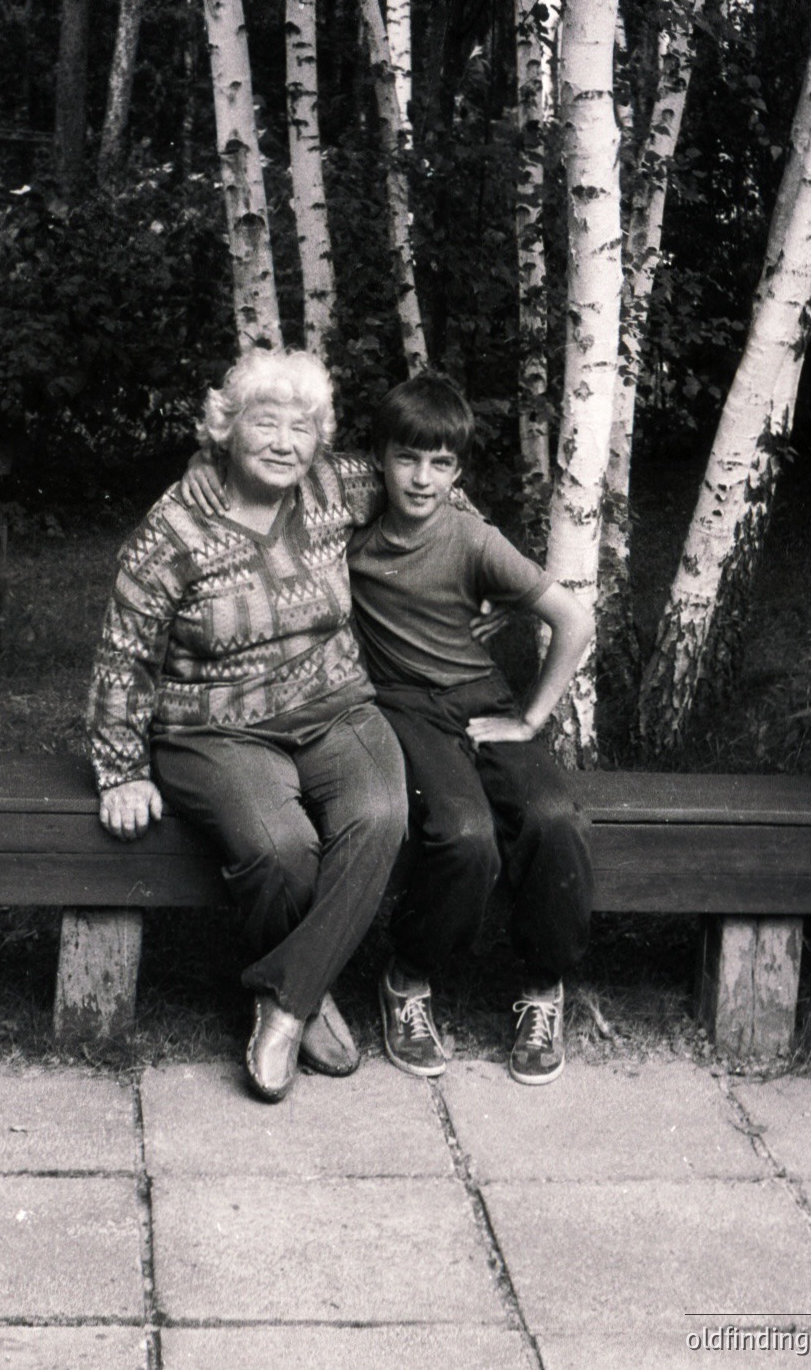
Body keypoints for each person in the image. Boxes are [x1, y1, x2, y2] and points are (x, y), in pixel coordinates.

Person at [86, 347, 407, 1104]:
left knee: (381, 813)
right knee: (278, 845)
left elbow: (420, 483)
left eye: (302, 429)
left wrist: (482, 560)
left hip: (334, 707)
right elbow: (124, 650)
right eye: (265, 424)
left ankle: (284, 1002)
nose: (284, 443)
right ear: (226, 429)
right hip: (214, 727)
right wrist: (122, 769)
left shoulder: (332, 487)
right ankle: (310, 996)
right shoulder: (178, 523)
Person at [348, 374, 594, 1087]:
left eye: (441, 463)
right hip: (403, 706)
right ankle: (409, 978)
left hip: (481, 699)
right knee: (462, 832)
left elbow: (574, 621)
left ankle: (542, 988)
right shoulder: (349, 539)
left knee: (555, 816)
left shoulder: (472, 537)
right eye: (406, 458)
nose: (421, 478)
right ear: (380, 458)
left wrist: (530, 717)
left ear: (458, 472)